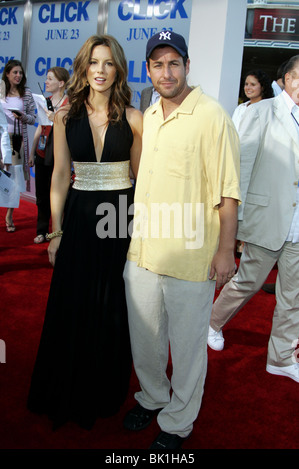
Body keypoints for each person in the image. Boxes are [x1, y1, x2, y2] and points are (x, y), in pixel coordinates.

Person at [123, 30, 241, 449]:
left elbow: (229, 191)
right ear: (150, 70)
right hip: (143, 250)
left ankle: (178, 422)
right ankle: (153, 396)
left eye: (174, 63)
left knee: (188, 348)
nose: (166, 71)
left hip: (193, 256)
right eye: (158, 64)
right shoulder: (150, 113)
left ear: (187, 66)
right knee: (145, 336)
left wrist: (226, 251)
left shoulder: (213, 116)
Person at [27, 35, 143, 430]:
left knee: (111, 304)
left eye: (109, 63)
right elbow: (59, 176)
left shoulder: (133, 117)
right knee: (73, 301)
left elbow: (142, 181)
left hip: (118, 218)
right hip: (77, 216)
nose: (100, 70)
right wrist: (55, 232)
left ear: (118, 70)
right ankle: (67, 385)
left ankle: (103, 387)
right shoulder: (65, 116)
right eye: (94, 62)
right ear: (84, 66)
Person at [207, 55, 299, 385]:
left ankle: (282, 357)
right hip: (265, 217)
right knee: (248, 281)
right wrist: (239, 222)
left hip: (298, 223)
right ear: (286, 79)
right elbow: (241, 168)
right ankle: (212, 322)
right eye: (298, 77)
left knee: (294, 296)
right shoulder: (262, 112)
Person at [231, 70, 273, 256]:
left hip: (256, 165)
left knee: (250, 204)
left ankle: (245, 245)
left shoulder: (268, 109)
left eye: (253, 84)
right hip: (236, 161)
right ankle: (232, 243)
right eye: (246, 84)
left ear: (262, 87)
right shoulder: (241, 108)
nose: (248, 88)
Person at [29, 67, 70, 244]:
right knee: (42, 194)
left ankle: (60, 231)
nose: (46, 82)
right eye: (46, 78)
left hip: (60, 155)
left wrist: (56, 118)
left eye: (50, 79)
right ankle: (42, 230)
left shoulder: (70, 104)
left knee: (60, 194)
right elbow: (39, 127)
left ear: (61, 83)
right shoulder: (44, 101)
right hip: (42, 152)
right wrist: (32, 152)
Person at [1, 60, 36, 232]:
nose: (18, 76)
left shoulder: (26, 93)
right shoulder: (0, 91)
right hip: (1, 138)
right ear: (7, 73)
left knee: (13, 178)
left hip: (17, 140)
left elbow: (33, 118)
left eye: (20, 73)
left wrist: (22, 116)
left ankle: (9, 215)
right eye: (15, 72)